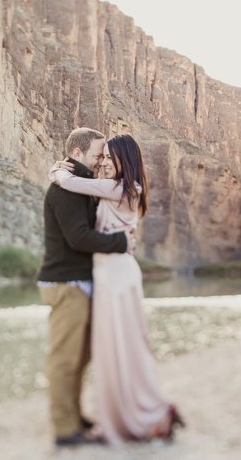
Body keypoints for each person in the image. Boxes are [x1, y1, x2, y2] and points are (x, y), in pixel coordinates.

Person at [49, 133, 184, 446]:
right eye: (103, 157)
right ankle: (143, 414)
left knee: (120, 350)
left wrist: (56, 171)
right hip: (112, 276)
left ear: (126, 159)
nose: (105, 162)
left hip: (117, 278)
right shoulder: (122, 189)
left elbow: (71, 184)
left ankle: (144, 416)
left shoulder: (121, 188)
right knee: (117, 350)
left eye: (111, 157)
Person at [36, 127, 134, 447]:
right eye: (96, 155)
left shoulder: (78, 185)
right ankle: (65, 429)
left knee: (79, 357)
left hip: (79, 284)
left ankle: (75, 417)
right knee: (64, 359)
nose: (99, 162)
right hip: (65, 284)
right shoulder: (65, 190)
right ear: (77, 154)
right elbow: (78, 237)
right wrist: (120, 242)